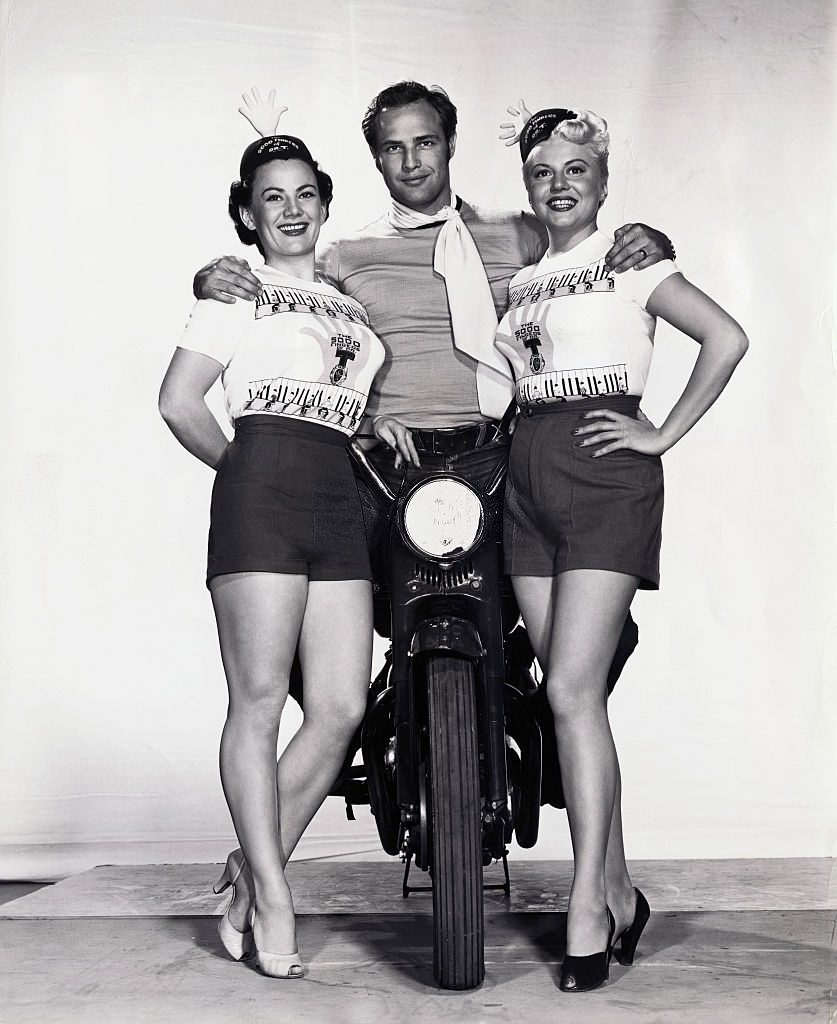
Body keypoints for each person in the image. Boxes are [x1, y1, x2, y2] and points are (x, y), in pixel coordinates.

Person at [493, 105, 749, 992]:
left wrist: (661, 433)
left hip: (602, 479)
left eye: (575, 169)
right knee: (572, 697)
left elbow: (726, 337)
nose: (558, 184)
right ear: (526, 185)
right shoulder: (523, 277)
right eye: (541, 171)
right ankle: (617, 885)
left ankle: (587, 906)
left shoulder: (632, 261)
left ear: (602, 181)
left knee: (568, 689)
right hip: (522, 480)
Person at [158, 135, 385, 979]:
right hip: (262, 497)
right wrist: (245, 471)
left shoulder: (348, 302)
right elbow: (179, 401)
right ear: (248, 215)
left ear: (323, 203)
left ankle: (249, 874)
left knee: (338, 710)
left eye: (303, 194)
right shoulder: (236, 291)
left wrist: (371, 423)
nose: (290, 209)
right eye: (271, 197)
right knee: (257, 703)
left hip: (338, 498)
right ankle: (276, 896)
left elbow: (340, 389)